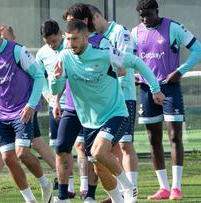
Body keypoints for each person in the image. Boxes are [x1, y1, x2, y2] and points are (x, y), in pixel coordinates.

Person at [51, 19, 165, 203]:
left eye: (75, 39)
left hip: (115, 114)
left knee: (97, 152)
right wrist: (56, 79)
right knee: (99, 168)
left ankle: (129, 187)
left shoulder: (104, 54)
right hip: (88, 121)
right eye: (69, 39)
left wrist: (155, 88)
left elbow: (136, 62)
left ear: (86, 37)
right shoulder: (64, 57)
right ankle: (118, 200)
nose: (71, 44)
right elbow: (56, 90)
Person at [0, 17, 53, 203]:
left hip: (22, 111)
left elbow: (39, 76)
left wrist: (31, 105)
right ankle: (30, 200)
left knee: (22, 153)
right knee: (8, 158)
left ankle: (45, 183)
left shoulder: (17, 51)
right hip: (0, 115)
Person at [131, 0, 201, 200]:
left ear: (157, 11)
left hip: (170, 88)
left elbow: (199, 50)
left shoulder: (173, 27)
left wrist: (180, 71)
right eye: (141, 15)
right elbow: (131, 59)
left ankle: (176, 187)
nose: (145, 19)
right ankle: (163, 188)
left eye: (148, 14)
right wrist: (136, 76)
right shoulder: (135, 32)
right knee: (153, 139)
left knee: (174, 136)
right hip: (147, 90)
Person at [55, 3, 112, 202]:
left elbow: (117, 73)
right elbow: (62, 75)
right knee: (62, 147)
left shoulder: (103, 44)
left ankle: (91, 196)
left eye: (71, 22)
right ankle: (63, 196)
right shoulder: (69, 43)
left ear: (85, 23)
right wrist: (56, 100)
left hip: (96, 111)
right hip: (72, 107)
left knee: (93, 154)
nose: (68, 29)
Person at [86, 4, 139, 203]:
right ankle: (121, 192)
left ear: (97, 17)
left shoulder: (121, 32)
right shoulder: (96, 39)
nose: (88, 28)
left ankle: (131, 190)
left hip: (123, 97)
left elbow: (123, 65)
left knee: (125, 144)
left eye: (89, 22)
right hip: (105, 100)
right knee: (108, 149)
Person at [36, 19, 88, 198]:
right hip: (56, 107)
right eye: (48, 41)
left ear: (61, 34)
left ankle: (85, 185)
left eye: (54, 40)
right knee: (61, 148)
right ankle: (69, 187)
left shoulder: (72, 47)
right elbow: (38, 76)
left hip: (76, 105)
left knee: (80, 145)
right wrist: (46, 94)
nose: (52, 44)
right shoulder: (42, 54)